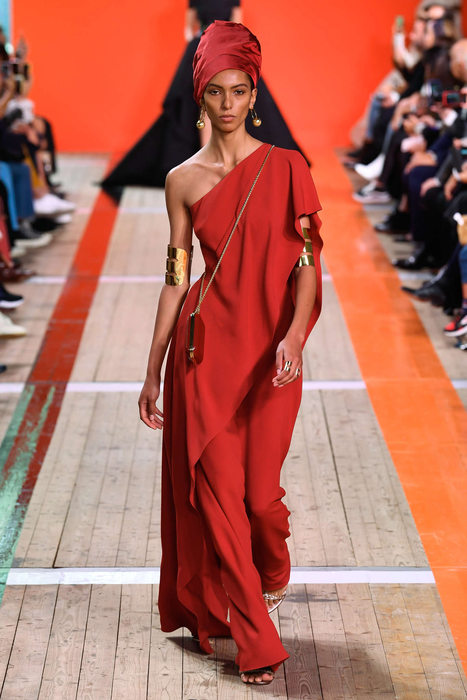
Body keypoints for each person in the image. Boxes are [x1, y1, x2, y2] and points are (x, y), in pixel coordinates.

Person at [138, 20, 322, 686]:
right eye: (215, 91)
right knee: (218, 501)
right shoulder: (180, 181)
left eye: (238, 90)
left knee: (261, 501)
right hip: (203, 356)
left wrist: (294, 335)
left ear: (253, 94)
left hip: (270, 357)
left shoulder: (288, 167)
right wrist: (153, 368)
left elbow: (307, 264)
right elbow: (175, 277)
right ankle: (255, 642)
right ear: (201, 96)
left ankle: (273, 568)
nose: (227, 103)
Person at [101, 1, 307, 189]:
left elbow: (237, 26)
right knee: (206, 104)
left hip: (225, 51)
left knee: (229, 103)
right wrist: (202, 46)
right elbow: (189, 29)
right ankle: (210, 162)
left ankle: (226, 162)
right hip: (204, 51)